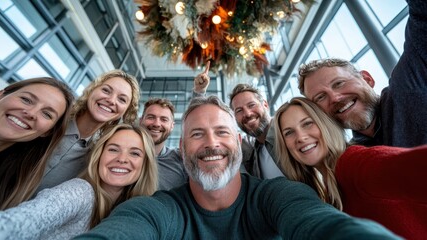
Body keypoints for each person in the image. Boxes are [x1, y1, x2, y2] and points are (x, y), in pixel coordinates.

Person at [74, 95, 399, 239]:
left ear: (238, 142)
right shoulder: (160, 209)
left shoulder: (277, 196)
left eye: (222, 132)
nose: (210, 143)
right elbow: (128, 229)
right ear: (182, 147)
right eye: (196, 134)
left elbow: (318, 224)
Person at [274, 97, 427, 238]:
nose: (300, 137)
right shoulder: (326, 193)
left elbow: (413, 166)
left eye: (308, 123)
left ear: (325, 125)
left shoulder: (351, 164)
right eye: (289, 133)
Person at [298, 0, 427, 147]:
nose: (334, 98)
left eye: (339, 83)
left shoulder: (407, 86)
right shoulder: (350, 156)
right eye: (320, 97)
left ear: (367, 79)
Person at [0, 123, 158, 240]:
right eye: (113, 149)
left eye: (135, 153)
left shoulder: (138, 211)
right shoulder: (79, 192)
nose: (122, 159)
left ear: (145, 164)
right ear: (99, 156)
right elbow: (22, 221)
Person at [35, 69, 140, 194]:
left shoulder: (100, 155)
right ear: (91, 90)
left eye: (122, 99)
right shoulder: (52, 121)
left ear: (125, 111)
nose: (112, 100)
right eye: (106, 90)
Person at [0, 77, 74, 210]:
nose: (31, 113)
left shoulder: (10, 181)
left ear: (47, 132)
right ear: (0, 94)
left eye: (46, 114)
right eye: (26, 100)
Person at [229, 83, 284, 179]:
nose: (247, 113)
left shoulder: (288, 130)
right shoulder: (249, 148)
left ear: (265, 105)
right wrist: (199, 92)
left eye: (251, 105)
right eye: (239, 110)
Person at [139, 98, 188, 190]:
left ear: (172, 126)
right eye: (151, 117)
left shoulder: (181, 158)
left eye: (164, 119)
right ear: (141, 121)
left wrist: (199, 92)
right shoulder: (125, 155)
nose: (157, 124)